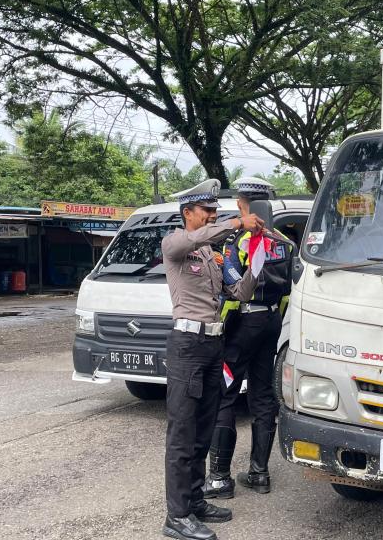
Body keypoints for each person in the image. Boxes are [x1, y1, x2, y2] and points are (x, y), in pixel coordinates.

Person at [160, 179, 265, 540]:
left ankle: (195, 501)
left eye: (214, 211)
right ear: (187, 212)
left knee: (203, 429)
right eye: (206, 211)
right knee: (182, 433)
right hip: (187, 346)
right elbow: (196, 239)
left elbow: (238, 292)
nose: (211, 216)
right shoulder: (175, 243)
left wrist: (256, 262)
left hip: (212, 345)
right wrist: (237, 223)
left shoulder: (212, 255)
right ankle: (177, 516)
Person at [203, 177, 295, 499]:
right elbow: (287, 290)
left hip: (242, 325)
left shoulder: (237, 242)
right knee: (262, 396)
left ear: (243, 204)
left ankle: (219, 479)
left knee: (225, 394)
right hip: (271, 323)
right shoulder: (284, 242)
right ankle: (259, 473)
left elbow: (232, 289)